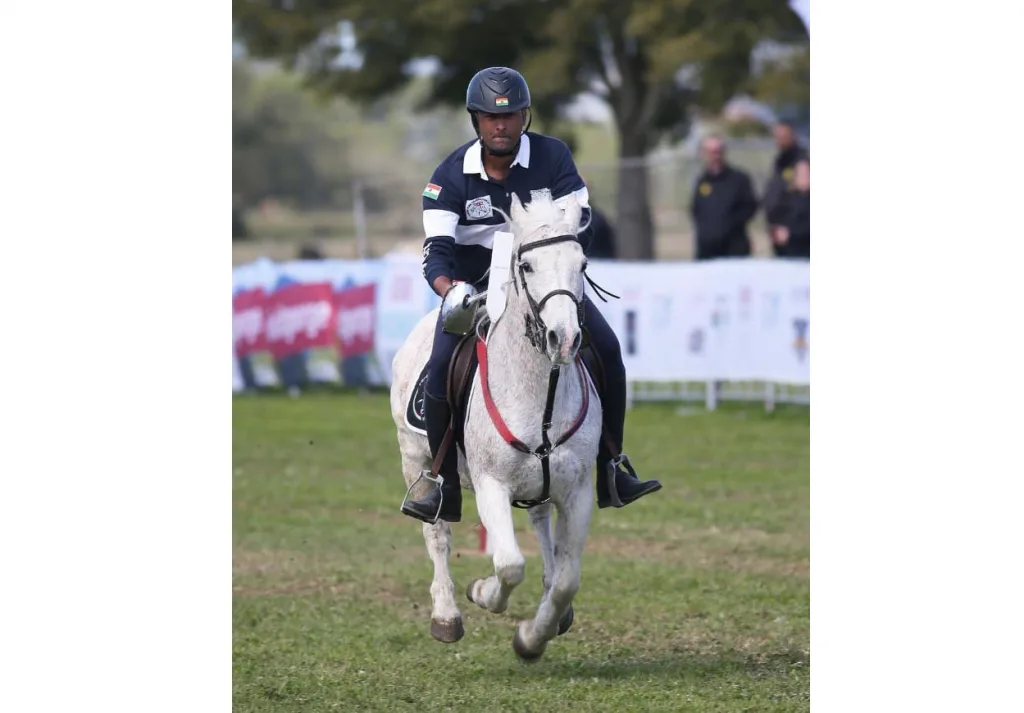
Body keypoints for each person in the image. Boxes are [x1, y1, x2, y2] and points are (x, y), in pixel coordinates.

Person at [402, 66, 662, 524]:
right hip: (477, 293)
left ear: (524, 117)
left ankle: (612, 467)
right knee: (440, 364)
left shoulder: (553, 156)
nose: (500, 126)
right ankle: (443, 482)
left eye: (510, 116)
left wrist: (555, 265)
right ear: (476, 120)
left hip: (545, 286)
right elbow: (436, 254)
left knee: (607, 349)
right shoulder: (450, 175)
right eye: (490, 117)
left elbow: (582, 224)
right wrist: (452, 291)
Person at [689, 135, 758, 260]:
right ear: (704, 154)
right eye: (711, 152)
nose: (715, 156)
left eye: (718, 151)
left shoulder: (739, 179)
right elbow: (696, 209)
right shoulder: (702, 181)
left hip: (734, 250)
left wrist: (729, 226)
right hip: (707, 250)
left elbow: (750, 207)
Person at [762, 120, 809, 255]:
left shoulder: (801, 162)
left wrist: (792, 230)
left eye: (783, 137)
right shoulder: (780, 161)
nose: (780, 141)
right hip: (779, 235)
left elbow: (802, 203)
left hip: (797, 238)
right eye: (777, 137)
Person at [773, 158, 810, 259]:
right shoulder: (785, 198)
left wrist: (791, 233)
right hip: (788, 255)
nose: (803, 177)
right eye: (800, 174)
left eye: (806, 173)